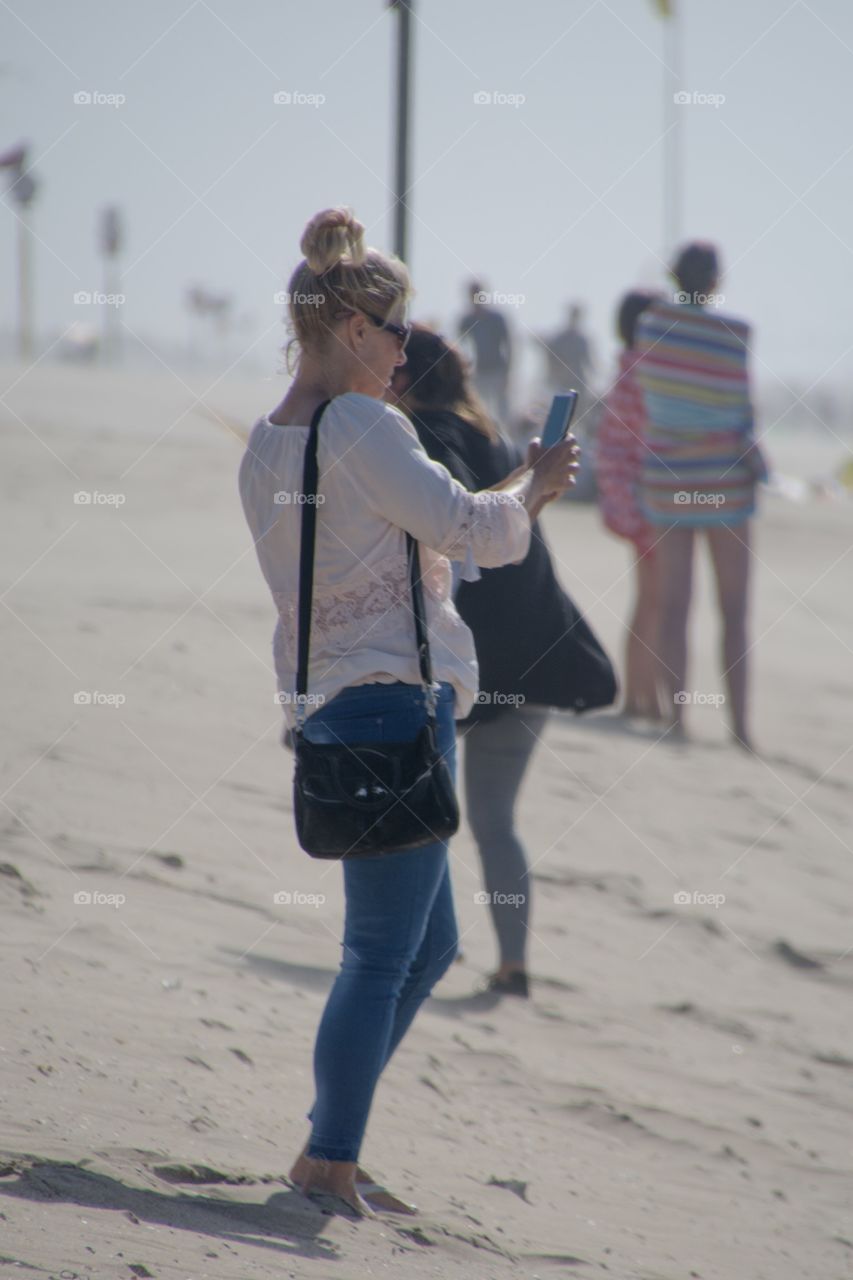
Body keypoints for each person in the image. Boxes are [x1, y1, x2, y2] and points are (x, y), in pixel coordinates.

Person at [238, 208, 579, 1216]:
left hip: (336, 709)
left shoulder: (268, 443)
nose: (404, 353)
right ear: (349, 327)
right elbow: (466, 525)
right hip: (394, 706)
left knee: (424, 948)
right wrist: (539, 482)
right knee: (382, 952)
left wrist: (512, 491)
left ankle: (327, 1144)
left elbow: (403, 544)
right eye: (394, 332)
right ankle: (327, 1159)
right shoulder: (359, 423)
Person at [388, 324, 610, 1000]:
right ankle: (512, 965)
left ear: (400, 381)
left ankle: (422, 946)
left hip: (458, 669)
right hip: (537, 659)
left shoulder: (415, 448)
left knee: (416, 814)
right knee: (493, 823)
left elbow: (449, 533)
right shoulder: (504, 447)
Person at [634, 242, 768, 747]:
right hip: (725, 481)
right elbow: (742, 413)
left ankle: (677, 720)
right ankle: (741, 728)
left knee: (673, 605)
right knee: (734, 610)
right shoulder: (737, 334)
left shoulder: (650, 327)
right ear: (717, 280)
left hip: (668, 479)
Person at [595, 290, 665, 719]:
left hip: (630, 502)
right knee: (656, 602)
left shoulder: (625, 369)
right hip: (647, 502)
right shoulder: (646, 371)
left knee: (648, 600)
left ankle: (640, 697)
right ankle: (645, 700)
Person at [457, 280, 512, 430]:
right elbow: (460, 343)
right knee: (480, 409)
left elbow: (508, 345)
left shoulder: (496, 318)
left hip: (497, 369)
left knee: (502, 412)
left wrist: (508, 371)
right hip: (478, 371)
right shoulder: (467, 320)